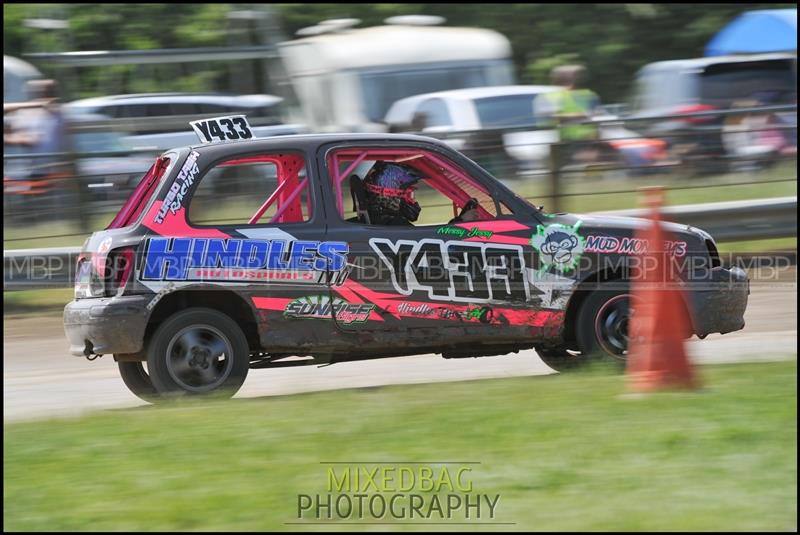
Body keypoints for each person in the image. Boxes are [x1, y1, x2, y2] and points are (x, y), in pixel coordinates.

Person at [535, 65, 602, 166]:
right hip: (559, 141)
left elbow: (597, 114)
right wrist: (580, 116)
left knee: (585, 168)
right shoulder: (547, 96)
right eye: (572, 76)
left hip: (586, 140)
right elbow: (549, 117)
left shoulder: (588, 94)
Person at [362, 161, 424, 225]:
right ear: (390, 196)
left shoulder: (357, 223)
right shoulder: (402, 228)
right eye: (409, 194)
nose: (413, 200)